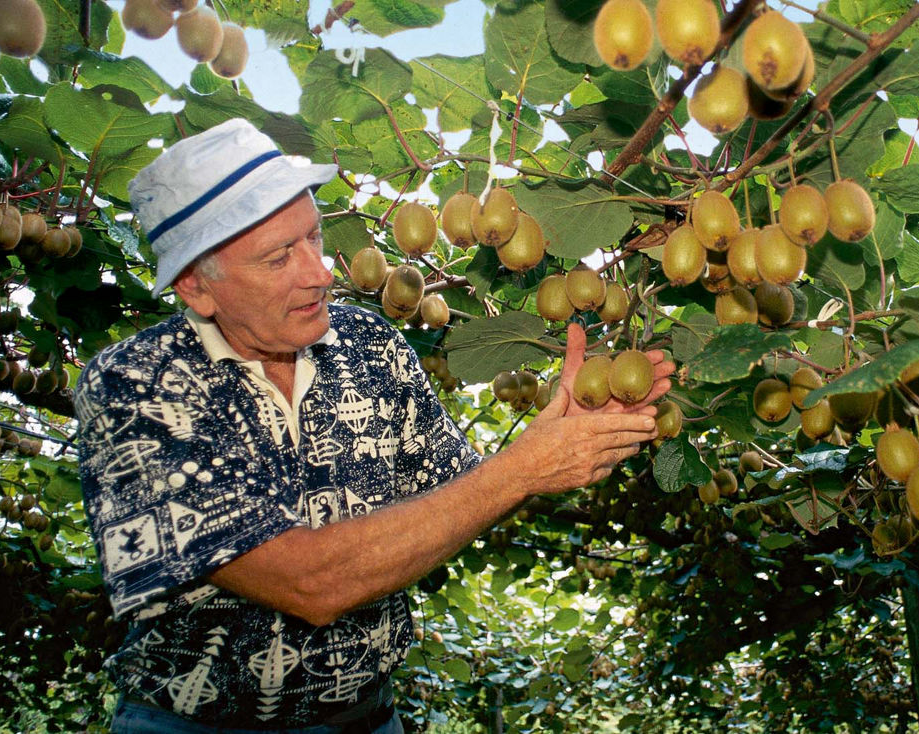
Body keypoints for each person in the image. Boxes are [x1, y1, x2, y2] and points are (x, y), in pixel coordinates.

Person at [75, 118, 673, 733]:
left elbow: (462, 494)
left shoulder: (369, 345)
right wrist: (520, 470)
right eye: (281, 256)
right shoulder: (136, 384)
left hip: (365, 720)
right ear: (196, 286)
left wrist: (551, 442)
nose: (321, 272)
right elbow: (308, 584)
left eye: (313, 238)